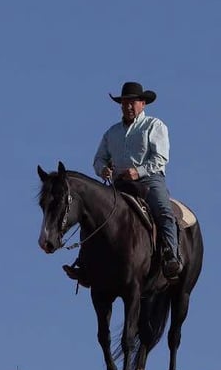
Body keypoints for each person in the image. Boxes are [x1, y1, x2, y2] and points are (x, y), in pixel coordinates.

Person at [63, 81, 183, 286]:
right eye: (124, 103)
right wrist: (103, 169)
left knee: (163, 210)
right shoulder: (112, 133)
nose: (128, 106)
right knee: (91, 214)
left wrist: (138, 171)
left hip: (149, 181)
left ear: (143, 104)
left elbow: (161, 158)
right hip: (120, 184)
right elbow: (99, 158)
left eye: (132, 102)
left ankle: (171, 255)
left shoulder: (154, 126)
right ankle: (84, 264)